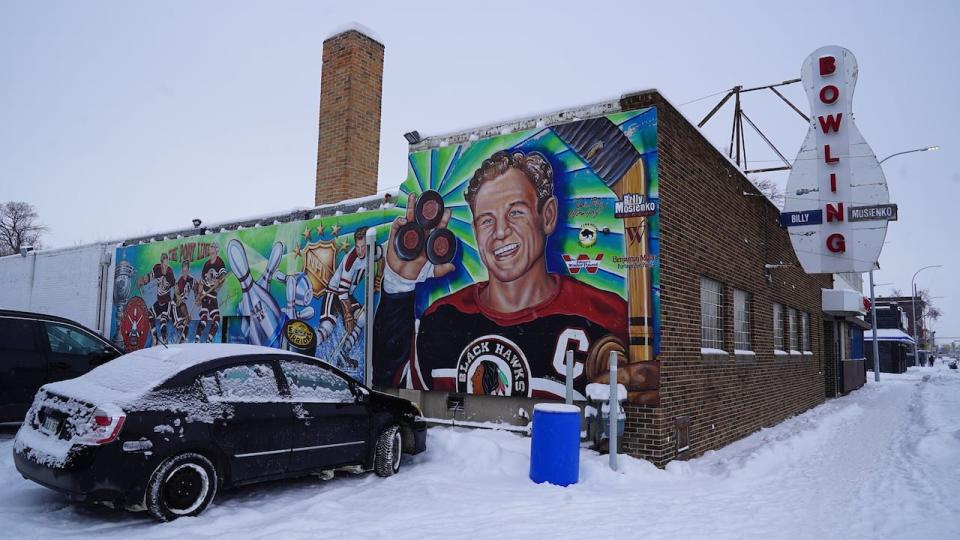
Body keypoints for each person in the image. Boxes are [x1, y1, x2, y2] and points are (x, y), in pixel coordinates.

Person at [374, 150, 628, 399]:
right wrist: (400, 282)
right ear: (475, 230)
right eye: (486, 220)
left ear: (547, 216)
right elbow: (393, 389)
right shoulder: (442, 319)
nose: (500, 232)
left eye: (515, 212)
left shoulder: (605, 315)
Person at [317, 227, 382, 369]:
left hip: (347, 295)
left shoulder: (374, 251)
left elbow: (381, 258)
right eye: (358, 247)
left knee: (363, 318)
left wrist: (379, 277)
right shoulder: (350, 261)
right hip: (334, 293)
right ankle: (307, 355)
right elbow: (342, 291)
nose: (360, 251)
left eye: (363, 247)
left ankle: (343, 353)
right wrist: (348, 315)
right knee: (327, 328)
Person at [137, 252, 176, 345]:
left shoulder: (170, 273)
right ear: (161, 262)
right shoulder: (157, 269)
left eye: (167, 263)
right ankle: (155, 337)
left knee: (163, 321)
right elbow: (149, 277)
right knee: (150, 315)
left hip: (167, 303)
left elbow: (175, 287)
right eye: (164, 263)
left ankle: (165, 340)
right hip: (159, 302)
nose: (166, 266)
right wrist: (142, 280)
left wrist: (175, 300)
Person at [195, 243, 226, 343]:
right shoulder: (206, 264)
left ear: (217, 250)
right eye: (210, 248)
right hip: (205, 294)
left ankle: (209, 340)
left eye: (213, 248)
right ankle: (197, 339)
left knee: (216, 319)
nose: (211, 250)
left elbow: (223, 276)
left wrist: (219, 281)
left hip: (213, 296)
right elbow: (202, 282)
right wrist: (199, 296)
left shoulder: (220, 262)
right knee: (204, 317)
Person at [172, 260, 197, 343]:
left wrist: (197, 297)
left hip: (183, 306)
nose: (185, 273)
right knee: (182, 324)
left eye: (186, 271)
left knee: (186, 323)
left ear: (188, 270)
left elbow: (196, 287)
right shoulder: (179, 282)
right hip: (176, 306)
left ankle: (182, 341)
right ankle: (177, 341)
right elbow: (178, 299)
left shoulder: (191, 280)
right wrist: (186, 315)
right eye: (183, 271)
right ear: (182, 271)